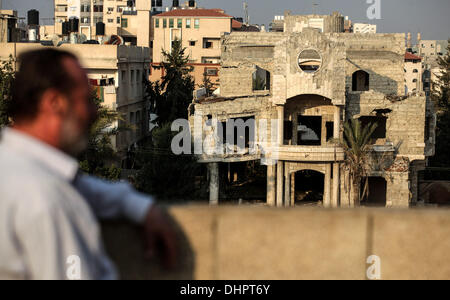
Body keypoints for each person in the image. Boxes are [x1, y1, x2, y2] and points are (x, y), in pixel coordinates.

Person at [0, 49, 177, 280]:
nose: (93, 113)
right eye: (85, 100)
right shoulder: (46, 199)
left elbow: (80, 188)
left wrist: (138, 206)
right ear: (54, 103)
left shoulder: (16, 166)